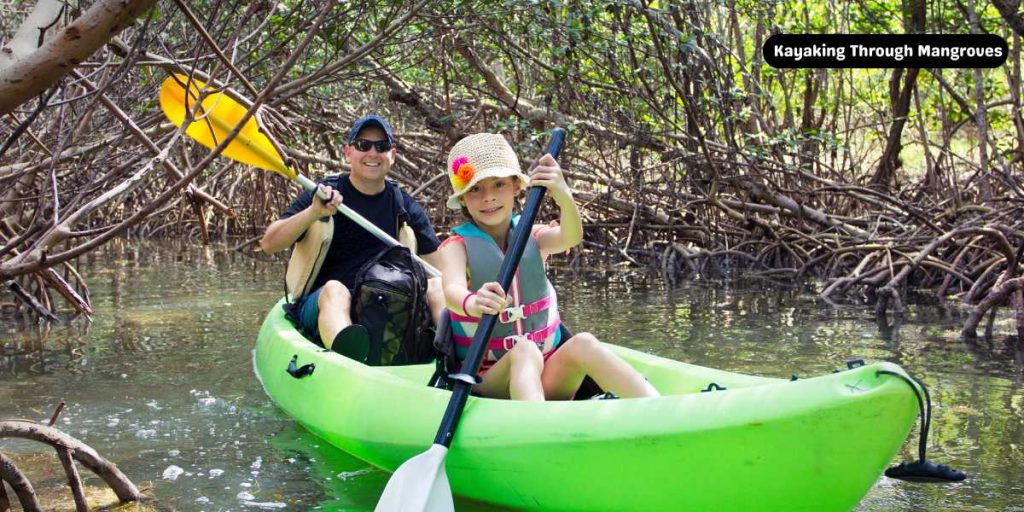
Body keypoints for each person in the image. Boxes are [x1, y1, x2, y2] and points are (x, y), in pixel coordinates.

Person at [438, 133, 660, 401]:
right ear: (462, 199)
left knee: (584, 343)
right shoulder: (456, 246)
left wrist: (563, 196)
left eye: (498, 185)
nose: (488, 197)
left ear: (516, 187)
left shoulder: (532, 235)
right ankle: (536, 431)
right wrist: (474, 302)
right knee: (524, 351)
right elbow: (451, 291)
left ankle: (657, 406)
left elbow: (570, 237)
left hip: (546, 372)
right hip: (488, 380)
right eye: (475, 189)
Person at [260, 115, 445, 359]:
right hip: (325, 304)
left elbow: (441, 269)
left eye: (381, 146)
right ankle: (348, 360)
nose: (372, 153)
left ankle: (454, 355)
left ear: (392, 155)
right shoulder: (323, 194)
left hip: (384, 302)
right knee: (335, 290)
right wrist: (313, 213)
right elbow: (269, 244)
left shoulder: (404, 206)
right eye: (363, 145)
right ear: (348, 152)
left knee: (437, 286)